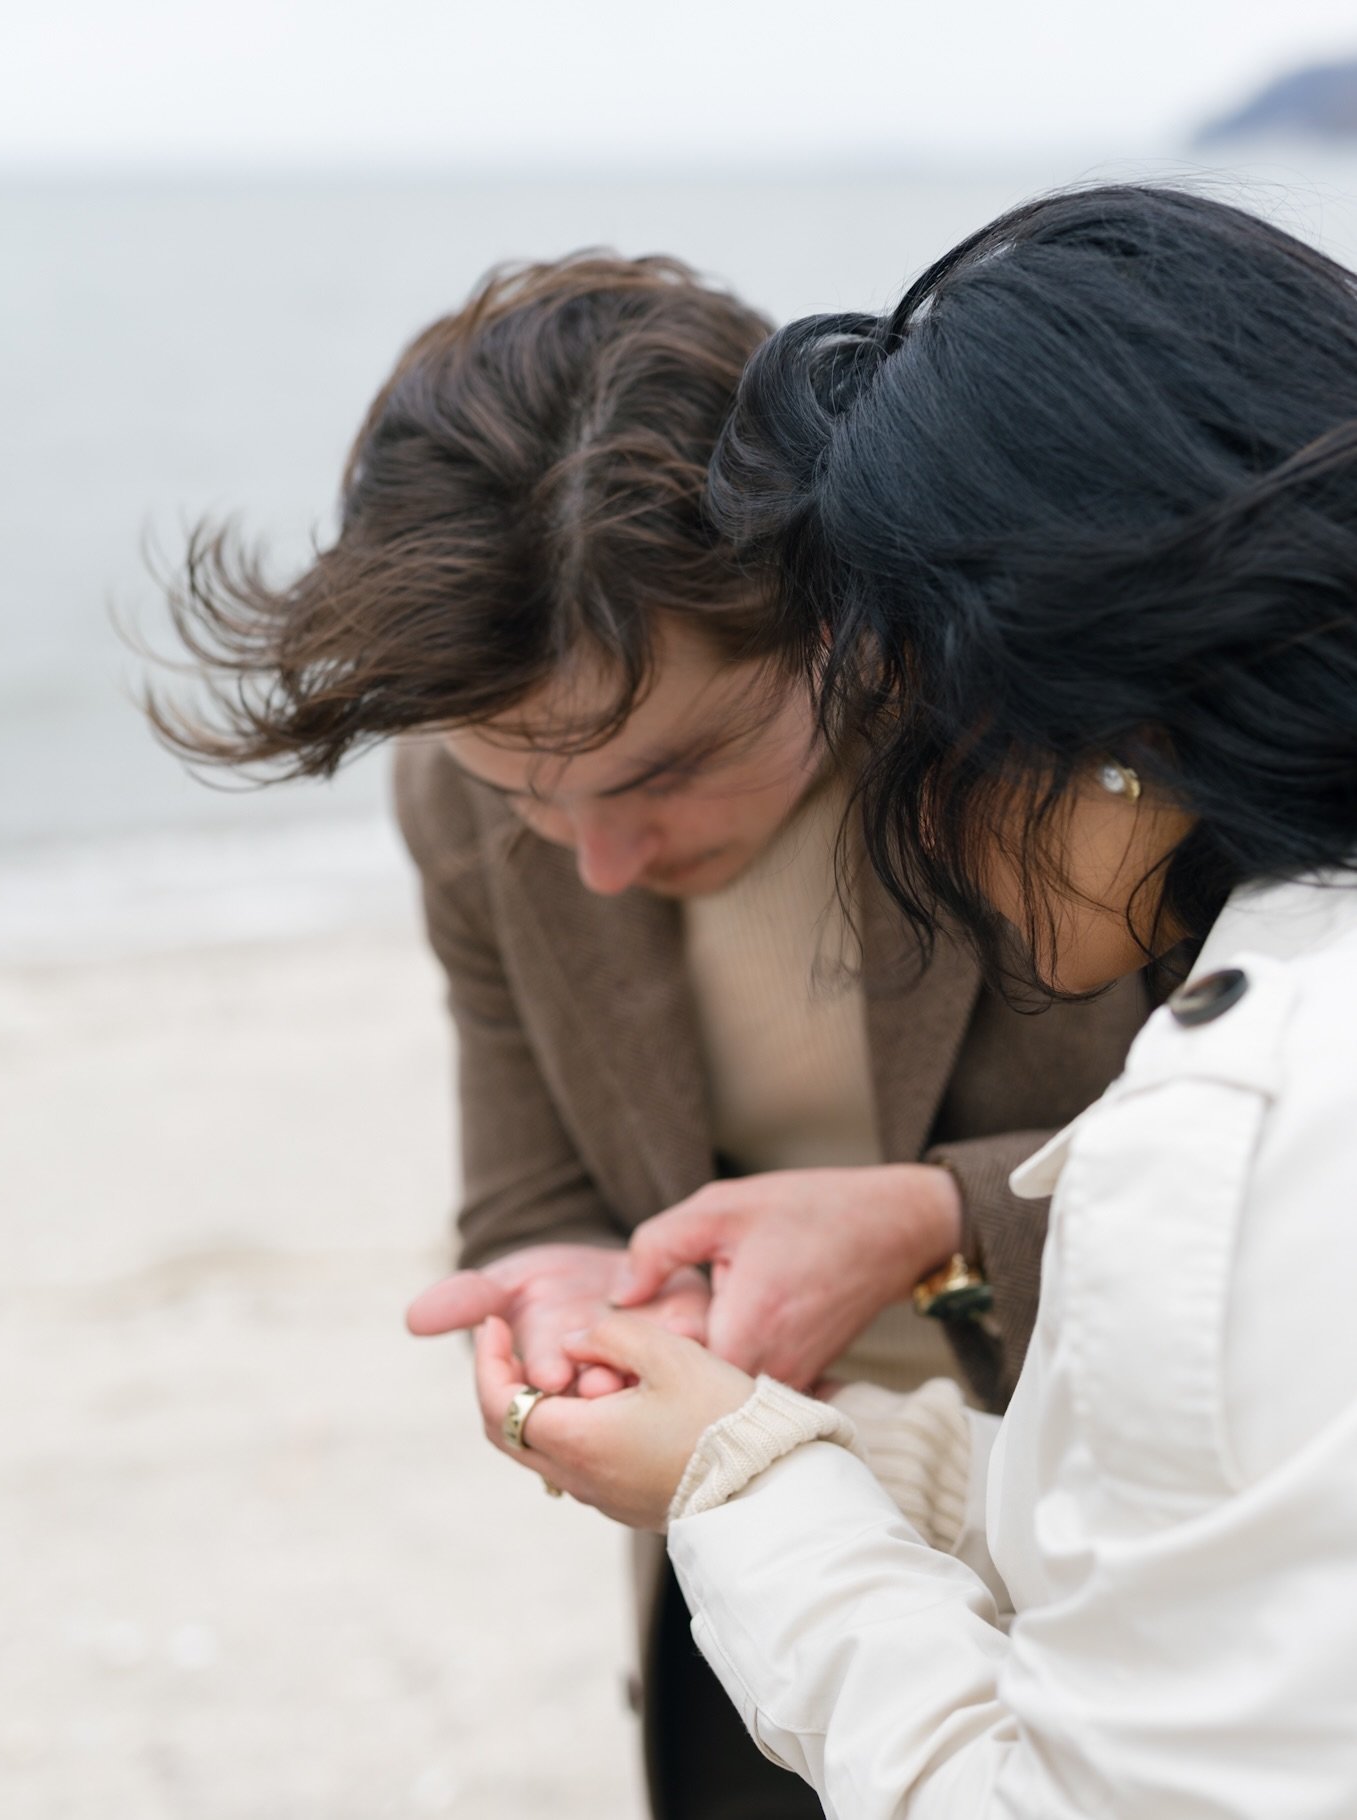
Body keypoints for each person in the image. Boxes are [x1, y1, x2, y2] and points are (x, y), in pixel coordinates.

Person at [148, 251, 1145, 1818]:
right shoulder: (455, 796)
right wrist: (558, 1297)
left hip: (1133, 1523)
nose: (597, 857)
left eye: (664, 770)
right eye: (525, 792)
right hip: (734, 1553)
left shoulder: (1056, 747)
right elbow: (532, 1198)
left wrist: (926, 1228)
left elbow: (1293, 1144)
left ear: (839, 615)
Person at [471, 186, 1357, 1818]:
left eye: (912, 717)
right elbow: (1244, 1509)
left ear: (1093, 702)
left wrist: (744, 1492)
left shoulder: (1230, 1122)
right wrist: (774, 1452)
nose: (918, 822)